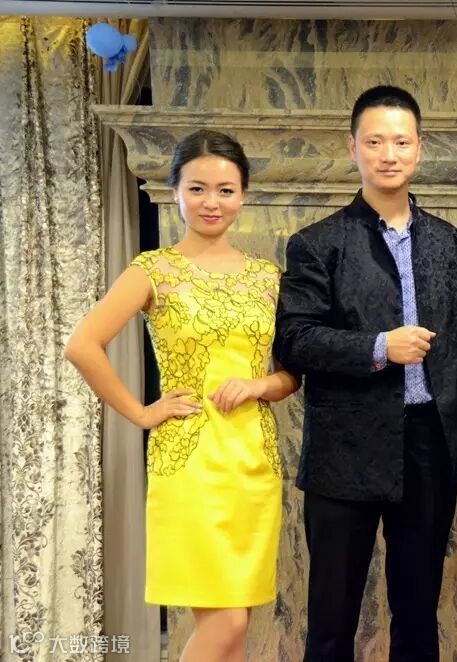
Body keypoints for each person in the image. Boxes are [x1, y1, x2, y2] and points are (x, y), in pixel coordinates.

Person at [65, 129, 299, 660]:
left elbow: (290, 376)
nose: (211, 202)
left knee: (235, 627)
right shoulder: (154, 270)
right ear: (174, 191)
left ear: (243, 195)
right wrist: (141, 412)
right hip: (189, 461)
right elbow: (82, 345)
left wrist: (260, 385)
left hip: (254, 462)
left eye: (225, 190)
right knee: (226, 622)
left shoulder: (267, 277)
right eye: (197, 188)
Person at [273, 85, 457, 662]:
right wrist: (380, 346)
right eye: (375, 142)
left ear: (419, 148)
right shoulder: (318, 243)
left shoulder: (447, 241)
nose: (390, 154)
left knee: (417, 610)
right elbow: (295, 340)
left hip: (427, 444)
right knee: (332, 617)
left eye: (402, 142)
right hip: (345, 447)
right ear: (353, 148)